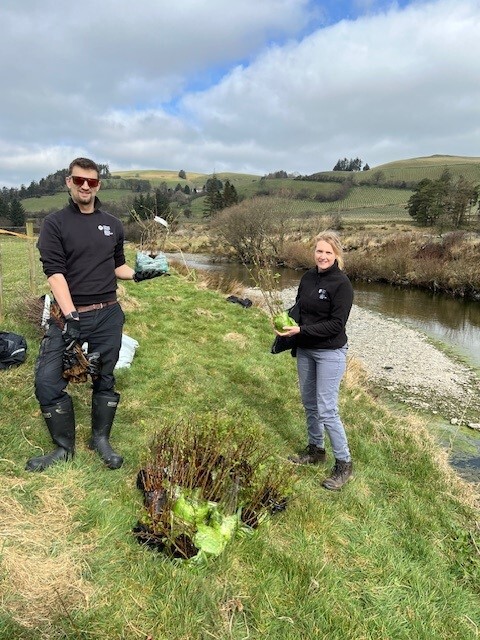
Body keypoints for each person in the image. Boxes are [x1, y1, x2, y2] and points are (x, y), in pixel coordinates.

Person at [26, 157, 160, 473]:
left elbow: (117, 266)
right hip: (67, 316)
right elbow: (55, 274)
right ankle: (63, 448)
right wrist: (71, 316)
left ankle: (100, 440)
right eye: (79, 180)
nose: (86, 186)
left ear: (98, 184)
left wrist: (140, 274)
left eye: (92, 181)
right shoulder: (55, 224)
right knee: (46, 381)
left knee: (104, 377)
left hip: (108, 315)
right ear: (68, 182)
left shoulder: (112, 223)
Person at [275, 230, 354, 491]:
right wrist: (284, 320)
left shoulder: (342, 285)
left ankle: (344, 464)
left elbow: (335, 325)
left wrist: (301, 331)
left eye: (328, 252)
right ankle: (315, 450)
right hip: (306, 349)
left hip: (330, 351)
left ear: (337, 255)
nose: (322, 256)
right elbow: (300, 308)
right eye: (319, 251)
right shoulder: (308, 277)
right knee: (310, 403)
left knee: (327, 408)